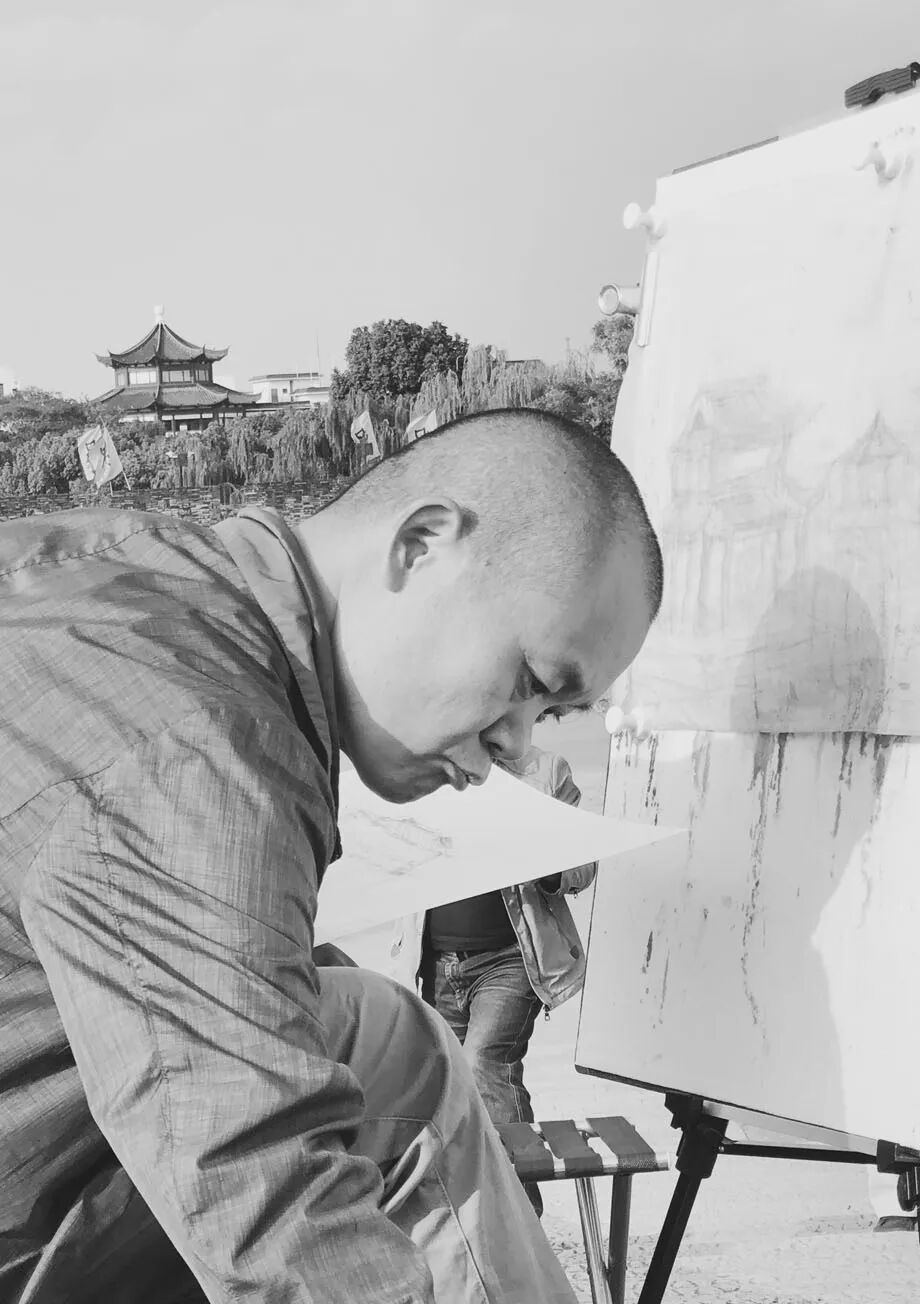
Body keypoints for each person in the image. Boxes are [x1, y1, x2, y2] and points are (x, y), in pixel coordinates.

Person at [0, 408, 662, 1304]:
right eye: (529, 684)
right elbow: (264, 1191)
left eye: (548, 718)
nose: (515, 745)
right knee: (386, 1080)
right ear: (421, 545)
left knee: (367, 1030)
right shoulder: (206, 743)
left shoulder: (117, 570)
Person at [418, 745, 597, 1218]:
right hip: (436, 962)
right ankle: (469, 1218)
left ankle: (522, 1218)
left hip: (511, 959)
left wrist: (545, 859)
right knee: (447, 1086)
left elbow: (584, 865)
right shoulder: (426, 761)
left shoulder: (545, 770)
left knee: (484, 1063)